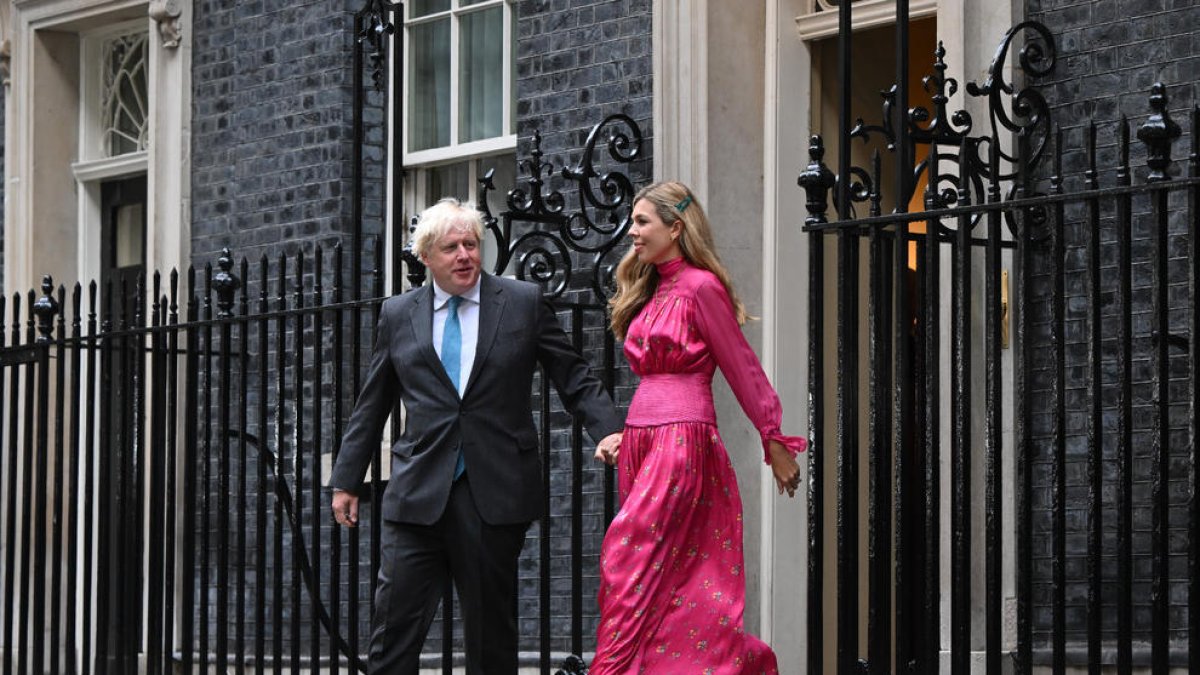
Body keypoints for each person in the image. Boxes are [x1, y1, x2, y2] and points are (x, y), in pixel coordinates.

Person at [328, 198, 624, 675]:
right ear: (426, 257)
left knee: (491, 638)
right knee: (393, 632)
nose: (465, 255)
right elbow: (373, 401)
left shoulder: (522, 302)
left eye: (471, 244)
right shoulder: (399, 313)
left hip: (494, 488)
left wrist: (610, 430)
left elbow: (573, 374)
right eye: (451, 247)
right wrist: (346, 478)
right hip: (417, 491)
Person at [589, 181, 805, 674]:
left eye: (643, 221)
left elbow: (740, 365)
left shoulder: (701, 287)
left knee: (628, 561)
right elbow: (655, 383)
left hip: (681, 441)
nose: (633, 232)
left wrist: (774, 440)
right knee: (664, 580)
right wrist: (629, 433)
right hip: (645, 440)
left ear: (676, 227)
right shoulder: (654, 286)